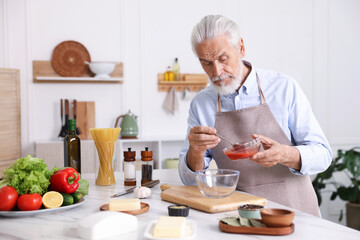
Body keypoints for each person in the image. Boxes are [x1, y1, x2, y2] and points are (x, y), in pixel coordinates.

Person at [178, 15, 332, 217]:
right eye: (206, 63)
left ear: (240, 48)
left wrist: (285, 154)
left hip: (294, 214)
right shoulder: (201, 103)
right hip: (238, 215)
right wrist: (195, 151)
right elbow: (188, 179)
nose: (216, 71)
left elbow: (323, 154)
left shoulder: (283, 88)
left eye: (223, 59)